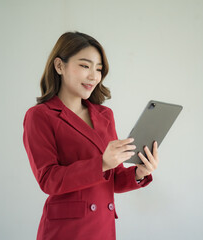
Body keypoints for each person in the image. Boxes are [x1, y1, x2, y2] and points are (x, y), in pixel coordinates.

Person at [22, 31, 159, 240]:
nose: (94, 76)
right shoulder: (40, 116)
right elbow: (48, 180)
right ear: (59, 66)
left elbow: (113, 180)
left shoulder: (104, 115)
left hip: (103, 228)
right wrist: (101, 163)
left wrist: (139, 173)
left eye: (99, 69)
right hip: (67, 232)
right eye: (85, 66)